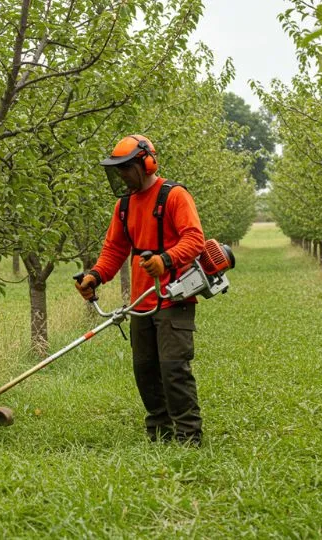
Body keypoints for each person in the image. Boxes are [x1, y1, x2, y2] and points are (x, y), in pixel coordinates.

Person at [75, 134, 206, 446]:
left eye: (125, 168)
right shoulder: (123, 207)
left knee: (173, 369)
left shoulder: (173, 196)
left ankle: (189, 436)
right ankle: (159, 433)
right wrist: (95, 276)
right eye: (116, 169)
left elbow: (194, 239)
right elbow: (114, 251)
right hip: (142, 302)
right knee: (145, 370)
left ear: (146, 163)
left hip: (174, 296)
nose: (120, 175)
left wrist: (166, 259)